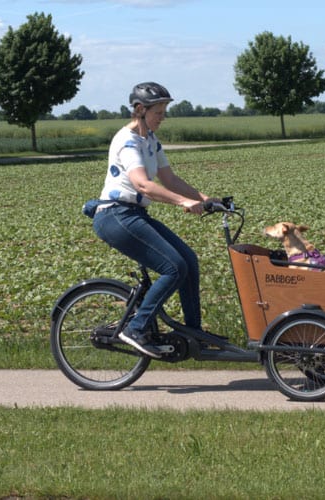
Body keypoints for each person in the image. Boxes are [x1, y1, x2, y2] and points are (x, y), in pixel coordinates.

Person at [88, 82, 218, 358]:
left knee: (189, 261)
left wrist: (206, 199)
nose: (163, 117)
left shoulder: (151, 141)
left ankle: (193, 334)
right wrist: (183, 202)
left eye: (164, 111)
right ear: (140, 110)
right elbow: (144, 185)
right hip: (115, 215)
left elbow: (169, 179)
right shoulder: (128, 141)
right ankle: (135, 328)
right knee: (174, 267)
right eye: (158, 112)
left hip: (134, 214)